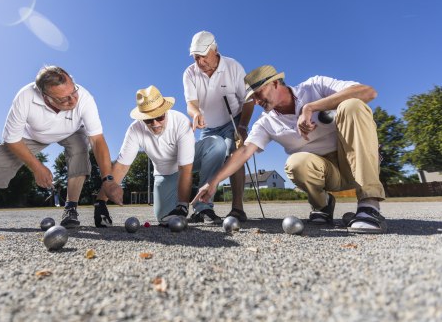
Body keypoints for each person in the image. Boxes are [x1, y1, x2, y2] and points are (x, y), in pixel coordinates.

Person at [194, 65, 388, 233]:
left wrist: (310, 108)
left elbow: (368, 92)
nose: (256, 102)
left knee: (352, 105)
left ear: (275, 83)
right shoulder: (266, 122)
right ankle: (323, 204)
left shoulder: (315, 86)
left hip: (356, 161)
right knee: (294, 164)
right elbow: (244, 152)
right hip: (326, 173)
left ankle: (369, 205)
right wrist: (213, 182)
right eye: (252, 98)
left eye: (258, 93)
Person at [0, 65, 123, 231]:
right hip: (33, 135)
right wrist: (37, 167)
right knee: (0, 159)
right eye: (64, 99)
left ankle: (70, 209)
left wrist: (108, 179)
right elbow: (11, 139)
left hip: (71, 131)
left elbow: (97, 140)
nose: (73, 101)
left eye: (73, 92)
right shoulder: (25, 97)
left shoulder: (84, 98)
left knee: (80, 148)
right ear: (45, 96)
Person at [96, 85, 227, 225]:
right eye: (148, 120)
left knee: (217, 145)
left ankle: (203, 209)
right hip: (164, 172)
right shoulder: (134, 129)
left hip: (189, 161)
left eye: (159, 117)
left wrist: (182, 205)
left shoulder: (180, 122)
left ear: (165, 110)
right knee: (164, 219)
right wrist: (100, 202)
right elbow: (121, 167)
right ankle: (185, 198)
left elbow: (185, 169)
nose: (155, 124)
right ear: (142, 118)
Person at [183, 31, 254, 223]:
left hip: (234, 120)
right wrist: (196, 113)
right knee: (212, 154)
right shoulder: (190, 73)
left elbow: (249, 100)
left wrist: (243, 126)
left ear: (214, 50)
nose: (200, 62)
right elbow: (191, 103)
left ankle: (237, 209)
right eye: (196, 57)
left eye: (203, 56)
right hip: (208, 126)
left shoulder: (233, 67)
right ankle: (203, 209)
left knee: (235, 151)